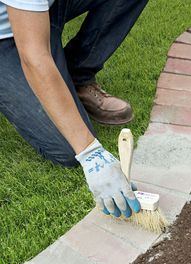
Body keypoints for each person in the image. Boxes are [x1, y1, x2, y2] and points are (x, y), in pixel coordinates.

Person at [0, 0, 148, 218]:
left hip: (45, 12)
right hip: (6, 38)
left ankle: (77, 75)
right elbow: (34, 57)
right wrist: (90, 153)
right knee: (69, 148)